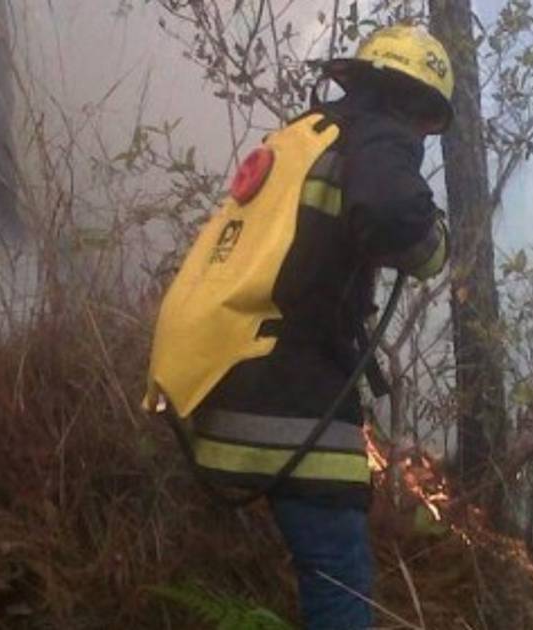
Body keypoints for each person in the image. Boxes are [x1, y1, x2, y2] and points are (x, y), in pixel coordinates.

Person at [145, 24, 453, 630]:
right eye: (425, 122)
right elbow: (395, 215)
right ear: (416, 106)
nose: (420, 136)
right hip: (290, 400)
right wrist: (433, 240)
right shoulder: (379, 136)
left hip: (220, 386)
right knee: (340, 576)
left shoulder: (301, 138)